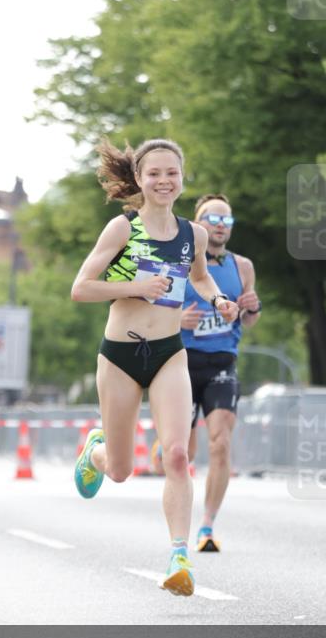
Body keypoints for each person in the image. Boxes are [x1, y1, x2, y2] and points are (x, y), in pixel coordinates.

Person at [71, 140, 239, 596]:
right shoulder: (122, 228)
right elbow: (81, 288)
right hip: (121, 356)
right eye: (155, 174)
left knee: (177, 454)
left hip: (169, 353)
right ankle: (95, 452)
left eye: (172, 173)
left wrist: (219, 300)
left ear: (182, 178)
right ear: (140, 180)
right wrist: (135, 287)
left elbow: (199, 276)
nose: (164, 181)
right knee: (120, 471)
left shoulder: (193, 235)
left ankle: (179, 556)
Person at [180, 195, 261, 553]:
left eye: (226, 220)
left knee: (221, 442)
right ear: (198, 224)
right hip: (180, 363)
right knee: (181, 452)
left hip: (222, 363)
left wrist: (252, 308)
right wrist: (177, 320)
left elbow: (249, 319)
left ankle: (207, 526)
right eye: (213, 219)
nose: (220, 225)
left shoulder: (243, 266)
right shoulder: (179, 261)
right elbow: (151, 310)